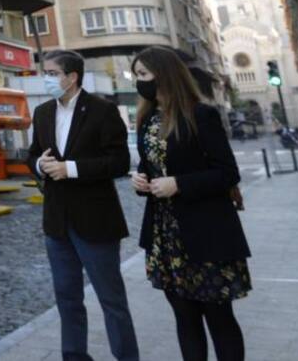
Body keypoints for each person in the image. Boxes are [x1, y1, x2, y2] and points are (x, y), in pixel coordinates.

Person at [131, 47, 250, 361]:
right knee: (185, 318)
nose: (138, 81)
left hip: (206, 233)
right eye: (136, 75)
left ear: (164, 74)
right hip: (166, 236)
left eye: (143, 74)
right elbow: (153, 165)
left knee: (219, 318)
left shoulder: (201, 115)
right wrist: (141, 180)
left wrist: (179, 184)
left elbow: (227, 173)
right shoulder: (147, 119)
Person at [27, 50, 138, 361]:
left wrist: (71, 169)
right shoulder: (43, 112)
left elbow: (119, 162)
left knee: (111, 300)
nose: (46, 79)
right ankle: (74, 355)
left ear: (72, 77)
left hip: (96, 221)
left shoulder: (102, 111)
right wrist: (39, 165)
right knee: (67, 298)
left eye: (52, 73)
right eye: (45, 73)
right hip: (57, 223)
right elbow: (33, 154)